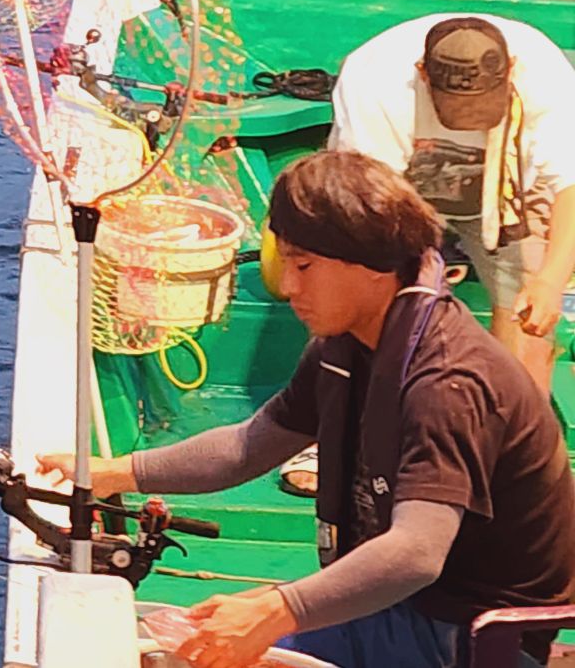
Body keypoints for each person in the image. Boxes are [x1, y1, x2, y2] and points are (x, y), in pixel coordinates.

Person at [40, 150, 575, 668]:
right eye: (285, 262)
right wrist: (114, 473)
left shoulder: (447, 382)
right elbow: (250, 444)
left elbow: (416, 552)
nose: (289, 286)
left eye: (305, 265)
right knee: (188, 643)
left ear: (375, 265)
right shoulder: (349, 342)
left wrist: (277, 610)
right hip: (400, 607)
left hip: (467, 635)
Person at [330, 14, 575, 393]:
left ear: (511, 70)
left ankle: (511, 433)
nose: (469, 124)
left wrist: (549, 282)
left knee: (530, 323)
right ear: (422, 73)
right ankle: (351, 414)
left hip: (506, 193)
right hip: (395, 192)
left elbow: (571, 187)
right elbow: (372, 206)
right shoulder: (375, 81)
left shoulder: (545, 76)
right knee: (360, 299)